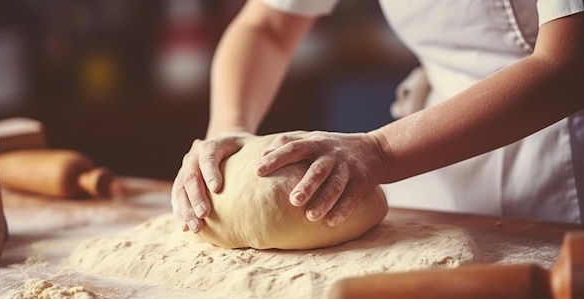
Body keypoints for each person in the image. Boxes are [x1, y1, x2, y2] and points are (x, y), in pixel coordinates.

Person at [171, 0, 584, 233]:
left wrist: (382, 150)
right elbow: (267, 26)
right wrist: (229, 131)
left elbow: (568, 66)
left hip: (560, 164)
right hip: (435, 157)